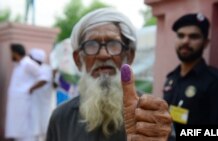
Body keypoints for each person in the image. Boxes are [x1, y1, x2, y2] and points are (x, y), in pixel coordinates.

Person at [46, 8, 172, 141]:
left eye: (113, 44)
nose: (103, 54)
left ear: (129, 56)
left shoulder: (152, 114)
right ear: (78, 59)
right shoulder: (61, 118)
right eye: (91, 45)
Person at [163, 13, 218, 128]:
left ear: (206, 43)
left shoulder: (217, 83)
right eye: (181, 35)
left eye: (193, 36)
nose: (185, 41)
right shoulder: (171, 79)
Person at [5, 44, 44, 141]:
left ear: (15, 53)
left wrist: (30, 89)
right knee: (17, 129)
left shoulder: (28, 63)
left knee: (26, 131)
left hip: (24, 104)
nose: (11, 55)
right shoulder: (19, 65)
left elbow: (43, 77)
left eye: (11, 53)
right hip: (17, 105)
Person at [29, 48, 56, 141]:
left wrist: (31, 89)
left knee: (43, 128)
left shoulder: (44, 69)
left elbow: (44, 81)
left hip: (43, 102)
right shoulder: (43, 68)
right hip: (37, 102)